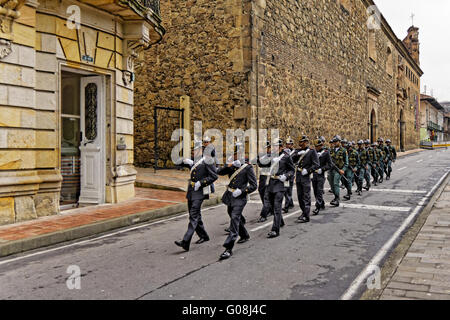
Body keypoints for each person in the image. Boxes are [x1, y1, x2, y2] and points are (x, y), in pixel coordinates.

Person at [174, 142, 218, 252]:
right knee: (195, 214)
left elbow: (214, 176)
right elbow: (177, 163)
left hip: (200, 192)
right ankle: (204, 236)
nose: (193, 151)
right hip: (191, 191)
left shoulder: (208, 161)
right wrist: (183, 160)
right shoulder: (194, 162)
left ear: (202, 150)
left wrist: (201, 183)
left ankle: (185, 241)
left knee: (193, 215)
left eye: (196, 149)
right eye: (193, 149)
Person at [216, 143, 257, 260]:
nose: (235, 156)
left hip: (240, 197)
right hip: (230, 196)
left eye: (237, 154)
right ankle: (244, 235)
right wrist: (228, 165)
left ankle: (228, 248)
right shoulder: (232, 165)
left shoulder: (247, 167)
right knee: (231, 214)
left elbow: (254, 185)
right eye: (234, 154)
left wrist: (242, 191)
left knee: (234, 218)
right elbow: (219, 172)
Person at [266, 139, 295, 238]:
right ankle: (280, 221)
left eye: (276, 146)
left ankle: (275, 230)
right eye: (273, 146)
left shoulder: (286, 157)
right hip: (271, 183)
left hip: (280, 184)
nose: (274, 148)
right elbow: (261, 164)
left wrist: (286, 176)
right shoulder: (271, 156)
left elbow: (292, 170)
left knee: (277, 207)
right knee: (272, 205)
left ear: (281, 147)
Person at [291, 135, 319, 223]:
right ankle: (303, 212)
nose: (300, 144)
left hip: (306, 176)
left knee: (306, 196)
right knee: (300, 196)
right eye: (299, 142)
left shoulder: (311, 151)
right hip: (299, 176)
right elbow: (290, 160)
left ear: (306, 142)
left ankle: (306, 216)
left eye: (302, 142)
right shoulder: (297, 151)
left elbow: (316, 164)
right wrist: (296, 154)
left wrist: (308, 170)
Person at [312, 137, 332, 215]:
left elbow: (329, 165)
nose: (317, 148)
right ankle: (322, 203)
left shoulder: (326, 152)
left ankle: (317, 207)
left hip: (321, 174)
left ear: (321, 145)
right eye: (316, 146)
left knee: (319, 191)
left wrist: (322, 169)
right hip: (313, 174)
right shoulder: (313, 152)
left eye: (318, 146)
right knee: (315, 191)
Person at [329, 136, 348, 207]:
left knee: (335, 183)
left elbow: (346, 163)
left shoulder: (343, 150)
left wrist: (343, 170)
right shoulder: (331, 150)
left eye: (336, 141)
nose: (334, 143)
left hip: (339, 169)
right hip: (331, 169)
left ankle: (337, 199)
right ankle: (335, 196)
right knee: (332, 184)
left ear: (339, 142)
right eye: (334, 141)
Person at [256, 142, 273, 223]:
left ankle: (264, 215)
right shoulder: (262, 155)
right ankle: (270, 209)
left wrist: (262, 161)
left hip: (268, 176)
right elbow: (259, 163)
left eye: (266, 147)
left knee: (266, 196)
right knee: (261, 192)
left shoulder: (272, 155)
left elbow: (265, 163)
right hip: (262, 176)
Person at [282, 137, 296, 213]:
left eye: (289, 144)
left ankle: (286, 206)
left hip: (290, 172)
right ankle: (290, 203)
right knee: (286, 190)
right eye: (287, 144)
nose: (288, 145)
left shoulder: (295, 152)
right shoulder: (284, 152)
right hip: (285, 172)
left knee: (288, 190)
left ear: (292, 144)